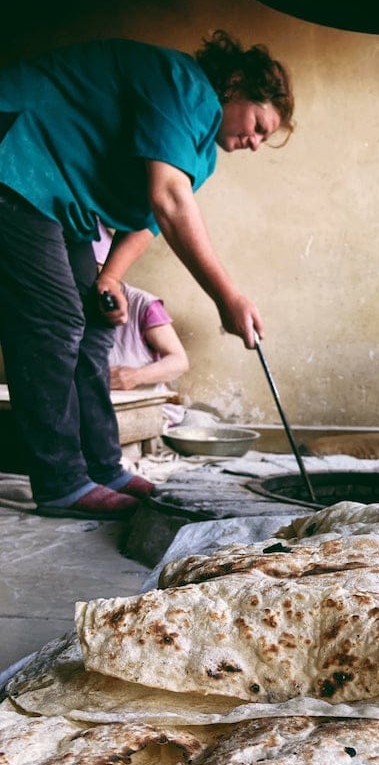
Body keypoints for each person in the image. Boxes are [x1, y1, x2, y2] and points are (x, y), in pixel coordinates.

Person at [0, 30, 294, 519]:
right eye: (260, 125)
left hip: (55, 194)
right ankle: (61, 482)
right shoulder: (183, 85)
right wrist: (228, 297)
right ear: (236, 83)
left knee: (94, 324)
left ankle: (102, 466)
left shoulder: (201, 153)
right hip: (14, 152)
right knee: (54, 321)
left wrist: (111, 276)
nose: (256, 143)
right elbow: (169, 199)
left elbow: (149, 218)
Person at [92, 223, 189, 392]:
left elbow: (179, 361)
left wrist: (135, 376)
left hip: (149, 409)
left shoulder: (143, 304)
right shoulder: (71, 308)